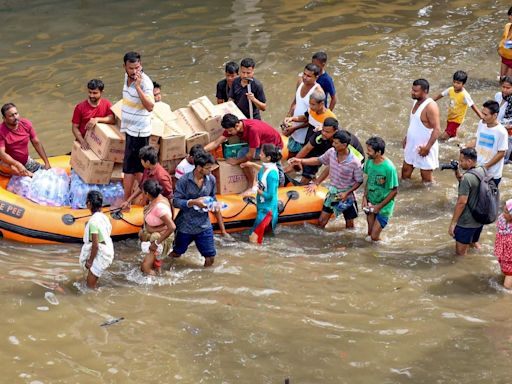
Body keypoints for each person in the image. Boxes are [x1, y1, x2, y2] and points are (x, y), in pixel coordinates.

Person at [290, 131, 363, 229]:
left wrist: (346, 193)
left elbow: (359, 181)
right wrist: (300, 160)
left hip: (346, 197)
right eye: (333, 142)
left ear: (344, 145)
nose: (333, 144)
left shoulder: (355, 162)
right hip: (332, 193)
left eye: (336, 143)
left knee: (349, 226)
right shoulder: (332, 152)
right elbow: (318, 160)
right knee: (321, 222)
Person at [171, 152, 228, 267]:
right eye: (207, 168)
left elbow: (212, 197)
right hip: (185, 226)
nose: (210, 170)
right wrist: (193, 202)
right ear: (199, 168)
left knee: (210, 257)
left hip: (204, 225)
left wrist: (215, 205)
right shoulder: (184, 181)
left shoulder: (211, 179)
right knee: (177, 253)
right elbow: (175, 202)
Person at [205, 113, 284, 193]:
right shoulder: (235, 127)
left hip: (274, 146)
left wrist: (236, 161)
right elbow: (216, 143)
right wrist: (202, 150)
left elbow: (250, 155)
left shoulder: (253, 130)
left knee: (277, 169)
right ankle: (251, 184)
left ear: (237, 125)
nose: (229, 133)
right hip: (261, 144)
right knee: (241, 153)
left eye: (230, 131)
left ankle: (281, 188)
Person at [285, 117, 365, 184]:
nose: (323, 133)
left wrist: (318, 183)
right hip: (333, 148)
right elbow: (307, 148)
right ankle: (309, 176)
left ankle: (316, 182)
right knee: (312, 154)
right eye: (323, 130)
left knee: (339, 178)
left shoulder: (341, 144)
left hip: (353, 158)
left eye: (327, 132)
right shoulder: (321, 135)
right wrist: (293, 163)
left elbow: (332, 164)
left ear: (335, 131)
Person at [120, 51, 154, 202]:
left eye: (137, 68)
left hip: (139, 132)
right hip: (129, 130)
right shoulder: (126, 77)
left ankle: (150, 198)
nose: (134, 72)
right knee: (129, 168)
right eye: (131, 68)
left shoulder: (145, 82)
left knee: (136, 170)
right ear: (124, 67)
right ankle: (127, 200)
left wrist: (138, 87)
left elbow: (150, 106)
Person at [448, 147, 485, 256]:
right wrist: (457, 172)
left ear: (469, 161)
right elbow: (470, 183)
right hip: (479, 219)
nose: (460, 163)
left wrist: (453, 223)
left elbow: (461, 202)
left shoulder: (467, 178)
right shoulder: (482, 170)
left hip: (466, 223)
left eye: (462, 161)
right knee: (474, 243)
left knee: (460, 255)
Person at [402, 79, 440, 183]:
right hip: (412, 144)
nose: (412, 93)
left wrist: (427, 148)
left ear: (425, 91)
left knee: (426, 179)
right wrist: (406, 138)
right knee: (405, 172)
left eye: (416, 91)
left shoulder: (431, 106)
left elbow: (437, 129)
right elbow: (413, 123)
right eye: (412, 90)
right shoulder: (415, 102)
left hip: (425, 146)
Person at [240, 144, 281, 243]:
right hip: (261, 205)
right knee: (263, 233)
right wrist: (252, 164)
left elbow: (270, 196)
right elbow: (262, 169)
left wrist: (256, 189)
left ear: (268, 157)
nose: (259, 155)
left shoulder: (272, 175)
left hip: (267, 209)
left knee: (253, 236)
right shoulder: (266, 167)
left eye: (262, 154)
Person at [363, 137, 399, 242]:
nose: (367, 153)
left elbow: (394, 191)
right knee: (369, 234)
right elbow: (368, 180)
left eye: (369, 151)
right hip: (370, 202)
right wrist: (364, 197)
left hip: (384, 207)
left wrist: (379, 207)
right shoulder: (369, 162)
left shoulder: (389, 168)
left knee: (374, 237)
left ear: (378, 152)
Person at [0, 103, 51, 177]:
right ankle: (29, 175)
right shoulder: (1, 131)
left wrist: (47, 163)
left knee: (47, 172)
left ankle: (29, 174)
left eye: (16, 113)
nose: (15, 117)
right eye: (11, 116)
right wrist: (17, 164)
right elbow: (2, 154)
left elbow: (36, 143)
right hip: (9, 164)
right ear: (4, 118)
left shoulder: (26, 124)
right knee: (12, 168)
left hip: (26, 161)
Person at [466, 100, 508, 187]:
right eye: (482, 113)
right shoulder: (481, 123)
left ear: (495, 115)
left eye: (485, 115)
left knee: (487, 199)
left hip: (492, 174)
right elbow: (478, 140)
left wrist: (485, 167)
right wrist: (465, 146)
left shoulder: (501, 132)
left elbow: (502, 153)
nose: (482, 116)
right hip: (477, 167)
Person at [283, 63, 322, 157]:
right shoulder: (300, 82)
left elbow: (314, 119)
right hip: (294, 125)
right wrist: (288, 117)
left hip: (306, 132)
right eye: (304, 74)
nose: (305, 77)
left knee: (301, 159)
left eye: (309, 76)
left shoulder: (317, 92)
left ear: (316, 77)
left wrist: (294, 128)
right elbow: (295, 101)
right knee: (290, 153)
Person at [139, 179, 176, 275]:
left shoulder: (160, 207)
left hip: (158, 239)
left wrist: (156, 243)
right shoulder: (156, 199)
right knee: (154, 266)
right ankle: (159, 273)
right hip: (153, 235)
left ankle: (157, 282)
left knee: (145, 268)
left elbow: (172, 226)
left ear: (147, 193)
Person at [79, 191, 114, 289]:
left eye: (86, 201)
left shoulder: (93, 222)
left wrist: (90, 261)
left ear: (89, 203)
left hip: (102, 255)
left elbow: (95, 245)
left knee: (90, 287)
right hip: (108, 250)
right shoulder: (103, 217)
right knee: (90, 281)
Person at [433, 71, 482, 140]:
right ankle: (456, 142)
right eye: (454, 82)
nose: (455, 84)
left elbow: (473, 106)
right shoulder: (450, 90)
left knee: (442, 138)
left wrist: (481, 116)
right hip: (450, 117)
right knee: (451, 137)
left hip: (457, 120)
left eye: (458, 83)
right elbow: (440, 95)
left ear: (463, 84)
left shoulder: (465, 95)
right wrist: (428, 101)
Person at [121, 145, 173, 210]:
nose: (141, 162)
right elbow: (141, 187)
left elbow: (169, 198)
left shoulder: (162, 177)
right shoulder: (147, 169)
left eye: (141, 160)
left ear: (147, 162)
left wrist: (172, 218)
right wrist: (128, 201)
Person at [71, 79, 115, 150]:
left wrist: (97, 119)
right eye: (90, 92)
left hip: (100, 144)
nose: (91, 95)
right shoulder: (80, 107)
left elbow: (112, 119)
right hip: (83, 143)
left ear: (102, 92)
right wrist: (82, 141)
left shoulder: (107, 104)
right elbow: (74, 127)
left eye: (95, 93)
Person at [494, 199, 512, 289]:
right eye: (504, 210)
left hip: (510, 257)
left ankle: (506, 291)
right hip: (504, 253)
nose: (503, 213)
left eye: (506, 211)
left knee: (508, 279)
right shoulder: (502, 219)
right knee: (505, 271)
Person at [494, 76, 512, 163]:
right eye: (503, 87)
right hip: (497, 126)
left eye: (508, 88)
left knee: (504, 159)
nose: (505, 90)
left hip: (508, 131)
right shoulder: (498, 96)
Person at [498, 6, 512, 79]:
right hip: (504, 57)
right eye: (509, 14)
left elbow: (507, 44)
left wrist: (505, 45)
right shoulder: (507, 26)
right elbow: (503, 39)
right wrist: (499, 49)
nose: (509, 17)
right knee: (501, 78)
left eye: (511, 15)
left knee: (508, 81)